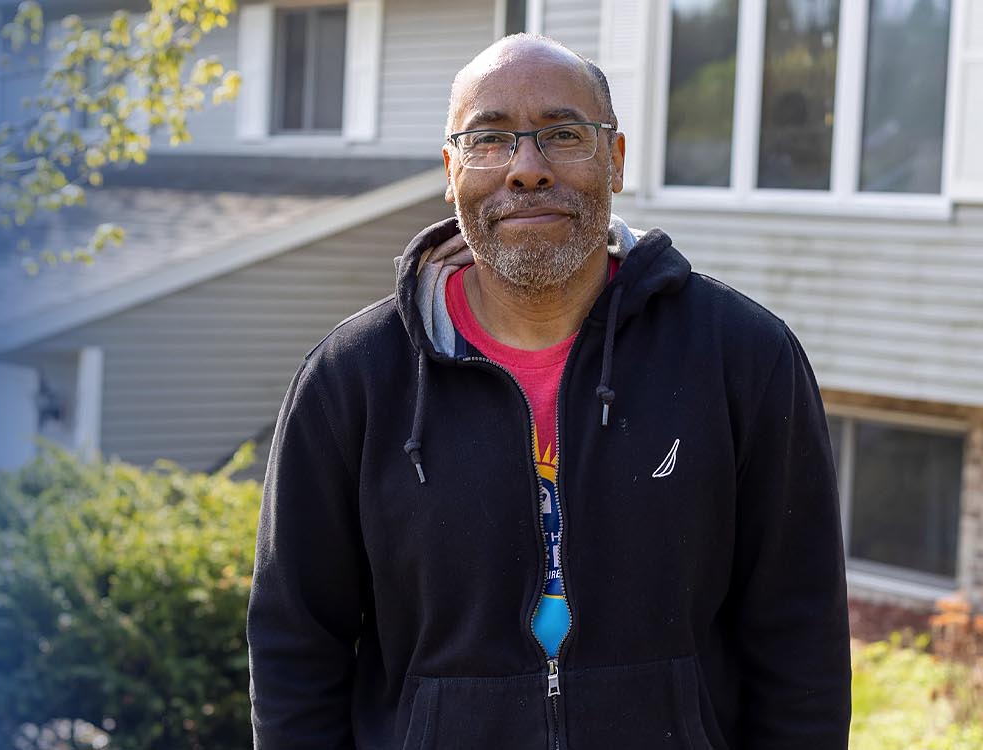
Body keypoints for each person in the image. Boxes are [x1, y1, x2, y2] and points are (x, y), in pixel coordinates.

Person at [247, 34, 850, 749]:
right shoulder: (353, 380)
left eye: (563, 135)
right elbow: (296, 653)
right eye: (489, 139)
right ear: (450, 170)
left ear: (616, 160)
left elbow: (800, 641)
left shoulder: (743, 358)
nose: (526, 169)